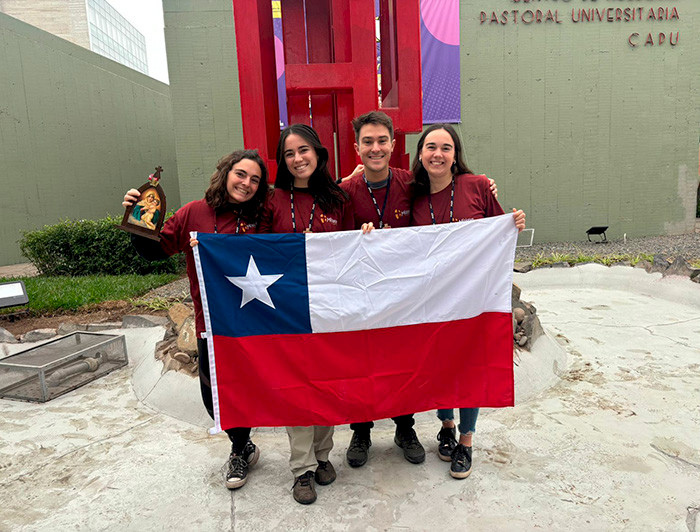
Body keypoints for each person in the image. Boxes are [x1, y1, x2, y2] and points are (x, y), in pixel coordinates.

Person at [339, 111, 500, 469]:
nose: (376, 147)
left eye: (383, 140)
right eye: (368, 141)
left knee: (405, 361)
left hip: (409, 298)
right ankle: (361, 430)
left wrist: (486, 188)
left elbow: (455, 191)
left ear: (394, 145)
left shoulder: (412, 183)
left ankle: (405, 428)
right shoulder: (345, 191)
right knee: (362, 362)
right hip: (362, 297)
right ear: (357, 147)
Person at [122, 149, 269, 490]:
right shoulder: (194, 213)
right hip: (212, 323)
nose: (246, 184)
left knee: (255, 388)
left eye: (255, 179)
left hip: (258, 322)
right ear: (225, 173)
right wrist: (138, 219)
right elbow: (154, 251)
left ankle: (240, 449)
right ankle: (242, 444)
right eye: (240, 174)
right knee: (214, 395)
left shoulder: (265, 215)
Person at [409, 123, 525, 480]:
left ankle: (466, 440)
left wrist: (514, 221)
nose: (438, 154)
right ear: (420, 154)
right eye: (430, 147)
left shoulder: (476, 186)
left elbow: (498, 231)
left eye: (446, 147)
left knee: (469, 367)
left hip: (472, 301)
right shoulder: (411, 196)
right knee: (440, 365)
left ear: (455, 154)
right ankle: (445, 425)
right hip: (432, 302)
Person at [260, 123, 353, 505]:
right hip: (287, 312)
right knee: (297, 392)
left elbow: (352, 252)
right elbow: (256, 249)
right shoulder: (272, 200)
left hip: (329, 309)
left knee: (326, 386)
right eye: (289, 153)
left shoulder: (338, 199)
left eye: (304, 150)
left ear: (318, 152)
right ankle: (301, 470)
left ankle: (323, 456)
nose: (298, 159)